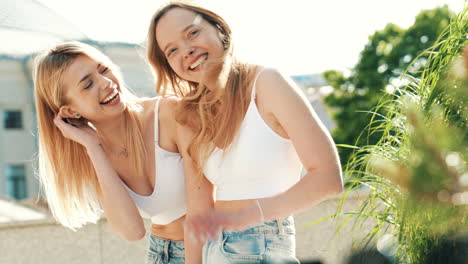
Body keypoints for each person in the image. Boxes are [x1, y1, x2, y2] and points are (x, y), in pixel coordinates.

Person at [147, 2, 344, 263]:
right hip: (214, 251)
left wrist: (245, 217)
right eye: (172, 50)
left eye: (192, 33)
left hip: (265, 245)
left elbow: (328, 179)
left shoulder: (267, 84)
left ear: (220, 30)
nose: (187, 51)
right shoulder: (191, 115)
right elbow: (198, 214)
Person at [33, 42, 187, 264]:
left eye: (104, 69)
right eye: (87, 85)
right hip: (164, 255)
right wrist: (93, 148)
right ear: (70, 111)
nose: (106, 83)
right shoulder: (95, 155)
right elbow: (132, 232)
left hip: (220, 246)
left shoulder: (167, 113)